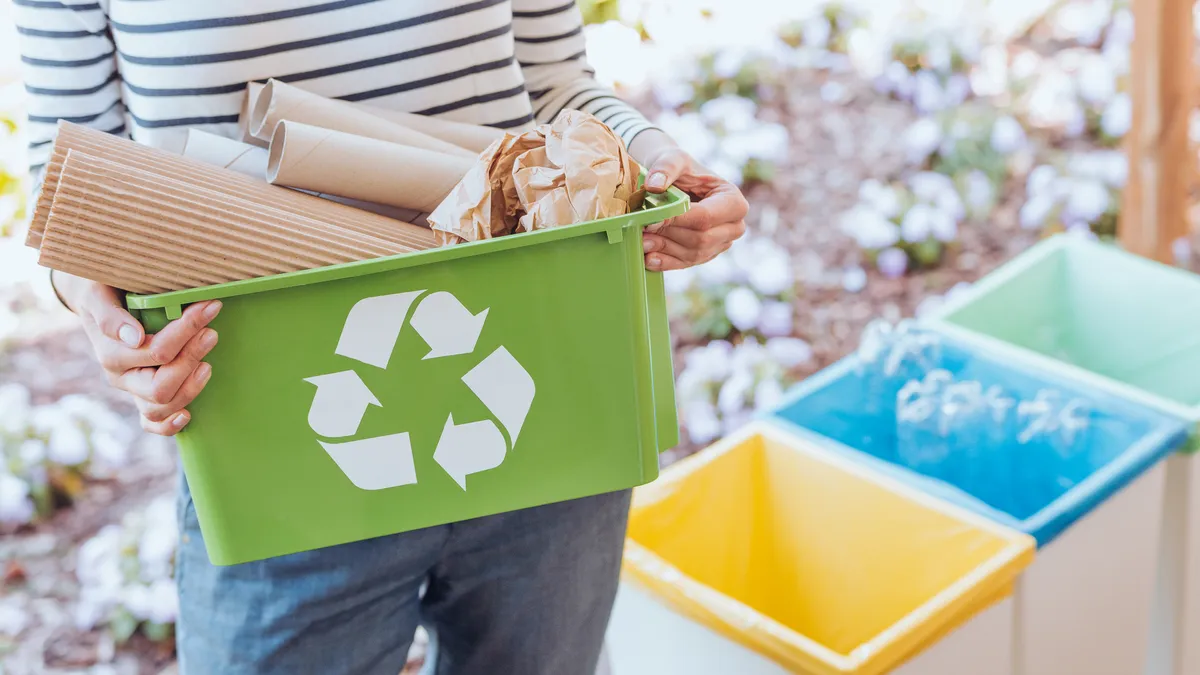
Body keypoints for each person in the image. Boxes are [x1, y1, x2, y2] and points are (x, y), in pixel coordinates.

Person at [16, 1, 748, 673]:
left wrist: (661, 165)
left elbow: (553, 81)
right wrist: (99, 314)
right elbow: (71, 164)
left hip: (540, 387)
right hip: (270, 426)